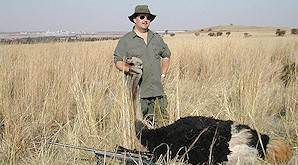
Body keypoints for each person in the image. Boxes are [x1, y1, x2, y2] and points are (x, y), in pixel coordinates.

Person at [113, 5, 171, 127]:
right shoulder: (126, 40)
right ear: (135, 19)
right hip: (139, 95)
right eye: (142, 17)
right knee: (140, 130)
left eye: (148, 18)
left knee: (163, 128)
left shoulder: (156, 38)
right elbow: (118, 61)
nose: (145, 20)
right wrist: (130, 69)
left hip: (157, 93)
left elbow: (166, 56)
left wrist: (163, 74)